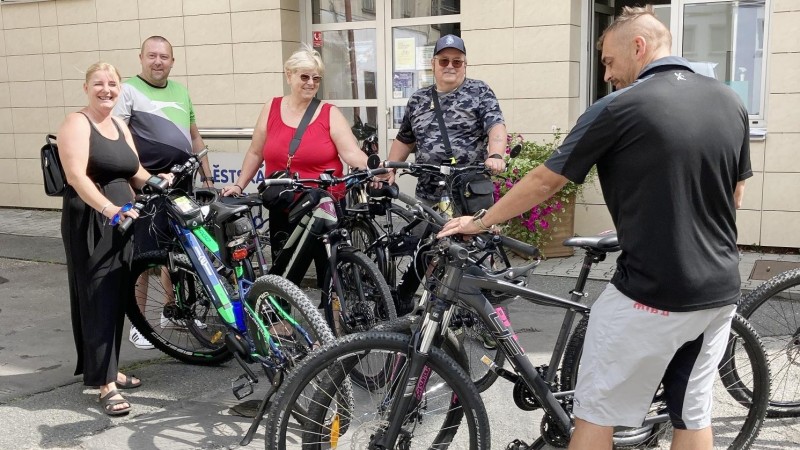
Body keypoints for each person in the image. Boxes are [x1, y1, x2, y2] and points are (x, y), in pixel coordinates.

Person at [439, 6, 751, 450]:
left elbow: (547, 180)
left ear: (638, 47)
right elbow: (734, 197)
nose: (606, 74)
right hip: (719, 290)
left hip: (651, 294)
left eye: (607, 61)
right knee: (692, 413)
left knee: (593, 418)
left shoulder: (619, 107)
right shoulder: (730, 101)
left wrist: (481, 220)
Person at [59, 62, 174, 415]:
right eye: (98, 83)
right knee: (97, 295)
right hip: (92, 217)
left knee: (116, 293)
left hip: (125, 217)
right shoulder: (77, 123)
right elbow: (77, 177)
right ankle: (104, 384)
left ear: (120, 88)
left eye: (112, 83)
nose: (106, 89)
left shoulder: (120, 125)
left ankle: (109, 368)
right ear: (86, 88)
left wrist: (158, 181)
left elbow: (134, 171)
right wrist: (109, 209)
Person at [221, 44, 369, 287]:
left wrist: (377, 168)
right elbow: (256, 152)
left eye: (316, 78)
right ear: (288, 75)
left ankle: (335, 321)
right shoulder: (271, 107)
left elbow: (351, 153)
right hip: (284, 205)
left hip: (324, 207)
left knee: (331, 276)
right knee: (285, 273)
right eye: (304, 76)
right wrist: (239, 185)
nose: (311, 82)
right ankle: (281, 322)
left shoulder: (329, 113)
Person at [113, 36, 212, 350]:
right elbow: (118, 137)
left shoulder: (181, 91)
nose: (158, 61)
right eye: (152, 56)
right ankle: (141, 322)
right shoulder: (128, 90)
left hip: (182, 184)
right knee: (145, 256)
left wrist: (208, 177)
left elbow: (195, 136)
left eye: (164, 57)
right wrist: (134, 179)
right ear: (141, 57)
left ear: (172, 60)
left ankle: (176, 311)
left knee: (183, 252)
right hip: (148, 186)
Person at [386, 34, 508, 205]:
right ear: (433, 64)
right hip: (428, 194)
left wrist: (496, 155)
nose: (450, 66)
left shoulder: (479, 90)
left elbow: (495, 125)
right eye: (444, 61)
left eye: (457, 62)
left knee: (474, 232)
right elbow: (405, 139)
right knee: (420, 232)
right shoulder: (418, 99)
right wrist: (390, 168)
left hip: (470, 193)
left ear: (465, 65)